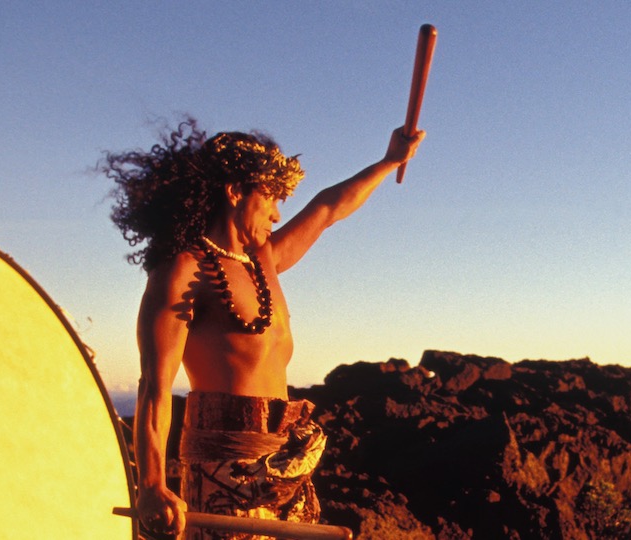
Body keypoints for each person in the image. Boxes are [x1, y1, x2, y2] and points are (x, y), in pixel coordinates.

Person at [101, 118, 423, 539]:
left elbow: (327, 209)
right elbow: (154, 387)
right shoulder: (182, 271)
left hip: (286, 464)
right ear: (235, 191)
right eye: (269, 197)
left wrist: (388, 161)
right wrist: (152, 486)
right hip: (224, 472)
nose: (276, 213)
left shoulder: (264, 261)